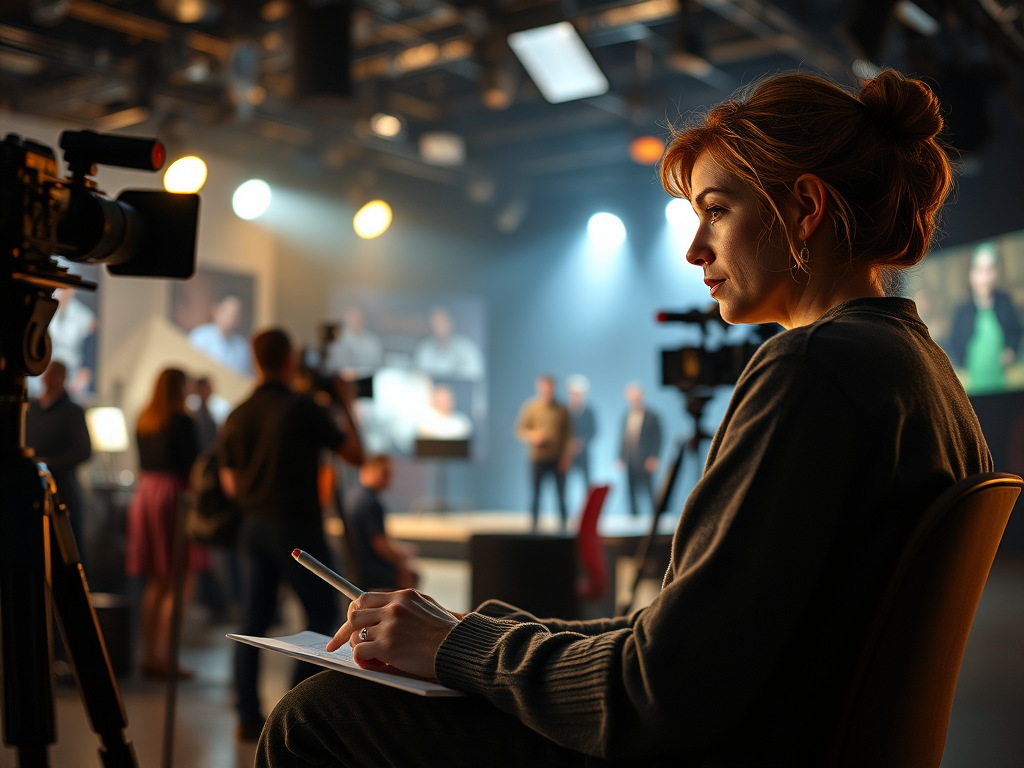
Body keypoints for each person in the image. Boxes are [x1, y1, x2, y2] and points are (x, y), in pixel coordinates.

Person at [257, 70, 991, 767]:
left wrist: (459, 650)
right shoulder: (920, 372)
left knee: (317, 714)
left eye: (716, 210)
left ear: (805, 207)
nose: (694, 249)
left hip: (715, 747)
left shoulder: (812, 366)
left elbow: (657, 689)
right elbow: (688, 638)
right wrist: (467, 633)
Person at [219, 328, 364, 741]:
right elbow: (356, 455)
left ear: (255, 360)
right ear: (289, 360)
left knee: (253, 621)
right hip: (297, 531)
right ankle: (291, 710)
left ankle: (247, 715)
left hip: (253, 527)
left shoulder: (237, 413)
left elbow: (231, 484)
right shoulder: (303, 408)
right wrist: (345, 403)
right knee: (322, 616)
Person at [125, 368, 208, 679]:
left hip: (147, 494)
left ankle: (150, 656)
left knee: (156, 583)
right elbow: (193, 466)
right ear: (179, 388)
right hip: (174, 497)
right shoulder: (183, 420)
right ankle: (168, 659)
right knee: (180, 581)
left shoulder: (144, 420)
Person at [25, 361, 93, 575]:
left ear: (62, 379)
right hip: (31, 487)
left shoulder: (72, 411)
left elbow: (84, 451)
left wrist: (51, 463)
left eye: (54, 375)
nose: (48, 379)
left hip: (62, 489)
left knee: (66, 549)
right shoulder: (32, 408)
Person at [947, 242, 1023, 394]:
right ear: (971, 274)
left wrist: (1011, 351)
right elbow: (954, 347)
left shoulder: (1005, 302)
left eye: (990, 269)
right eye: (980, 270)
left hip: (1003, 384)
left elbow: (1017, 332)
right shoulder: (962, 312)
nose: (985, 278)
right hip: (972, 389)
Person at [343, 455, 418, 590]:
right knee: (412, 575)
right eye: (385, 474)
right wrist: (402, 559)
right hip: (371, 572)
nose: (388, 479)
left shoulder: (353, 498)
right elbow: (381, 546)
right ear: (368, 471)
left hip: (355, 569)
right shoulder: (370, 503)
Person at [515, 374, 573, 530]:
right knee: (535, 494)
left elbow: (569, 436)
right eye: (544, 386)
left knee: (561, 494)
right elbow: (520, 430)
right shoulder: (531, 407)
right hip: (538, 458)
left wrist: (567, 457)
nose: (546, 390)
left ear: (553, 387)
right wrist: (533, 436)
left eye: (549, 386)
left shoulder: (562, 409)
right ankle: (534, 527)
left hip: (557, 458)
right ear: (539, 387)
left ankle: (564, 527)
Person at [616, 382, 663, 516]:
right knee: (631, 492)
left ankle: (656, 517)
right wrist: (620, 457)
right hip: (631, 459)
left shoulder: (652, 416)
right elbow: (623, 439)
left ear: (641, 397)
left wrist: (654, 457)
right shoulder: (626, 416)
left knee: (650, 490)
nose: (634, 400)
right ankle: (633, 516)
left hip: (646, 459)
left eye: (636, 397)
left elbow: (657, 438)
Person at [188, 293, 253, 375]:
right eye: (228, 313)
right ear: (216, 311)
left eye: (236, 314)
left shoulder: (242, 346)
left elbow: (245, 376)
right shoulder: (199, 337)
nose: (231, 318)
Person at [414, 307, 485, 380]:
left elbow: (473, 378)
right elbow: (420, 378)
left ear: (450, 322)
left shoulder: (467, 349)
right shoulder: (424, 349)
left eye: (441, 322)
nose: (437, 327)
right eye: (433, 323)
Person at [326, 304, 384, 374]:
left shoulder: (373, 341)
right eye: (352, 316)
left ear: (364, 317)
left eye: (358, 316)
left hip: (367, 379)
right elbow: (330, 366)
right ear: (345, 317)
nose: (355, 319)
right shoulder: (336, 340)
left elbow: (378, 366)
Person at [566, 374, 597, 489]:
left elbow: (593, 431)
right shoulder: (564, 411)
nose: (576, 396)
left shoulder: (589, 412)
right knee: (564, 483)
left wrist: (582, 442)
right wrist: (569, 443)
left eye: (579, 394)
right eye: (573, 393)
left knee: (587, 482)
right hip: (567, 454)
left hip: (584, 453)